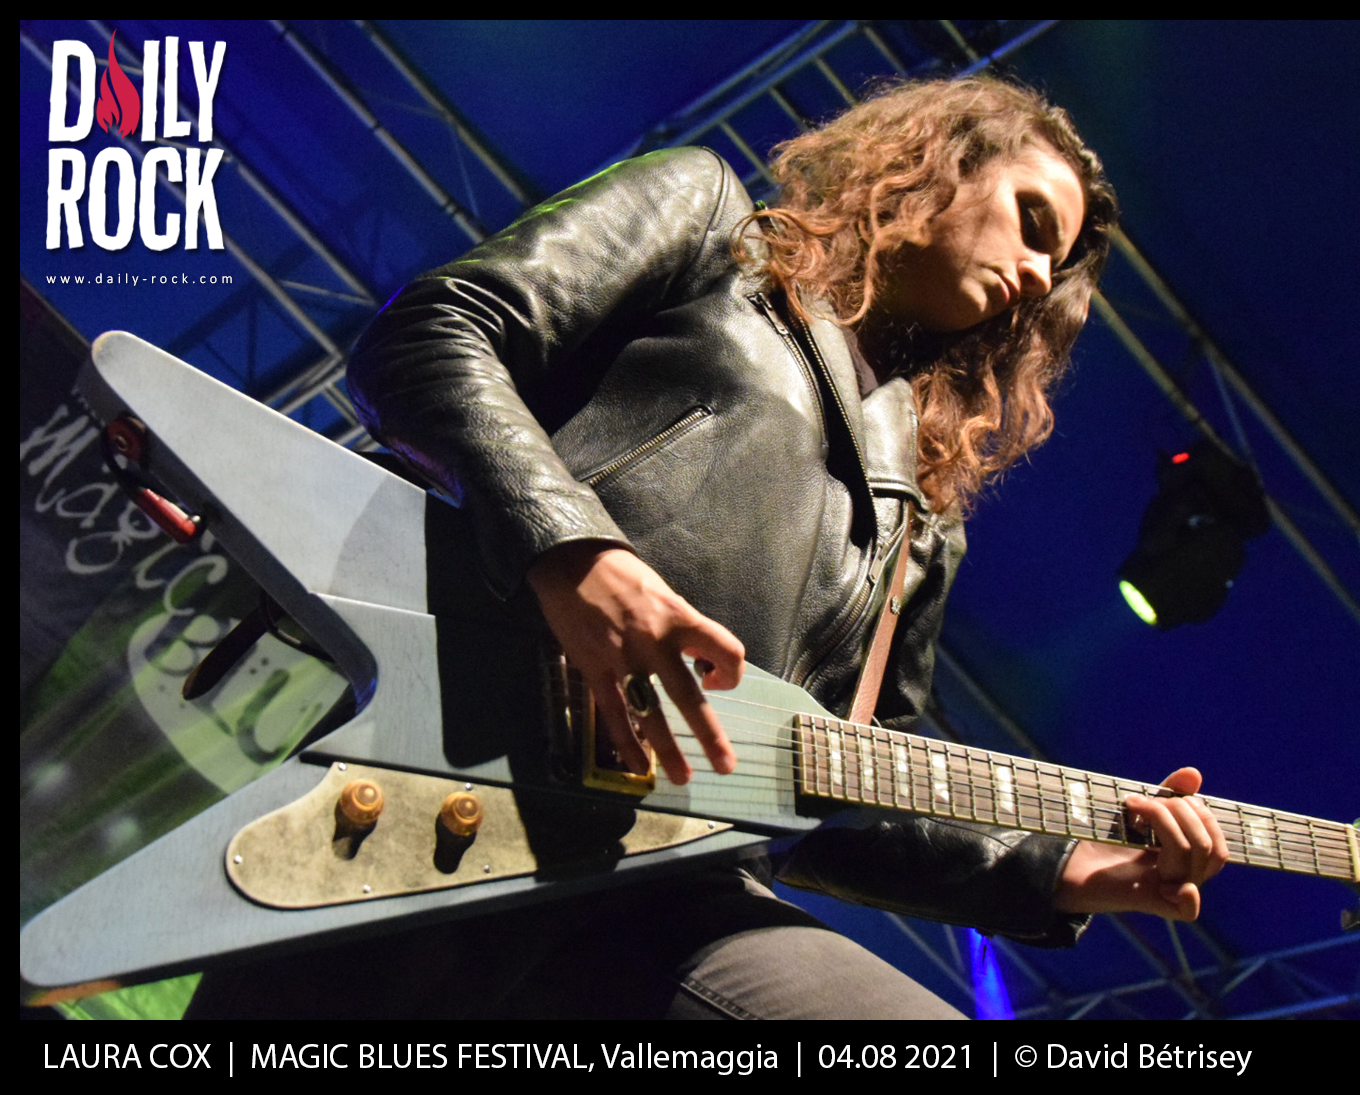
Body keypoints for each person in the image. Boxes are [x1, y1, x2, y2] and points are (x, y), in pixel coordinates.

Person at [186, 76, 1226, 1020]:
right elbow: (431, 333)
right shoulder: (712, 227)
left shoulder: (922, 520)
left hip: (672, 900)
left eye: (1056, 264)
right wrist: (572, 549)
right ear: (942, 166)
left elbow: (844, 793)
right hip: (452, 775)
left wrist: (1053, 870)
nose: (1038, 274)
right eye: (1033, 223)